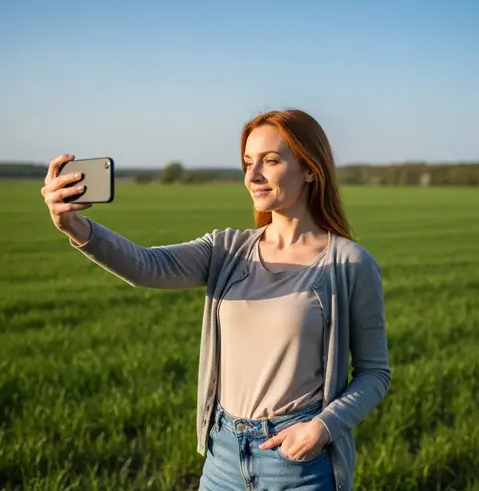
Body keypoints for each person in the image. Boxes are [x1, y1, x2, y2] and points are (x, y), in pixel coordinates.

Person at [41, 109, 391, 491]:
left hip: (298, 462)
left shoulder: (350, 263)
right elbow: (146, 266)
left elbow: (375, 373)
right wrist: (73, 226)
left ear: (310, 169)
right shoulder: (227, 249)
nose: (253, 176)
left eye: (270, 161)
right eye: (247, 163)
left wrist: (322, 428)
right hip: (223, 454)